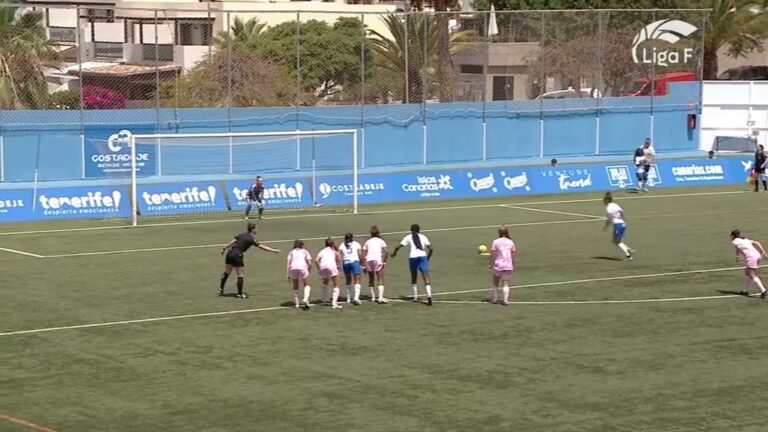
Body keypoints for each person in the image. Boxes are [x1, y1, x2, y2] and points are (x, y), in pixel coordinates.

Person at [219, 222, 281, 299]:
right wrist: (274, 250)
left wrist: (224, 248)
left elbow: (233, 241)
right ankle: (240, 294)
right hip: (237, 255)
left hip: (230, 253)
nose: (257, 230)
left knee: (227, 272)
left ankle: (221, 289)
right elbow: (262, 247)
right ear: (252, 229)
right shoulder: (251, 239)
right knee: (240, 275)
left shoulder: (242, 234)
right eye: (256, 228)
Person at [392, 224, 434, 305]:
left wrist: (394, 253)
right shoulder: (423, 237)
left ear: (411, 230)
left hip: (413, 257)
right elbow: (431, 248)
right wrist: (427, 258)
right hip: (423, 256)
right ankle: (429, 296)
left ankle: (415, 296)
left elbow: (398, 246)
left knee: (414, 276)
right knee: (426, 276)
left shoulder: (408, 237)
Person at [730, 229, 767, 298]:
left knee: (752, 275)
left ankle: (763, 289)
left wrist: (737, 256)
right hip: (757, 255)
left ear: (732, 236)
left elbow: (737, 248)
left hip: (751, 258)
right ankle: (744, 291)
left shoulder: (734, 241)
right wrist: (763, 252)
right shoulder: (745, 239)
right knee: (747, 272)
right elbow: (757, 242)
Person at [489, 226, 516, 306]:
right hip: (508, 265)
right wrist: (513, 263)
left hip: (499, 264)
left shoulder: (495, 241)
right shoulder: (511, 242)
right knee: (505, 283)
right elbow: (513, 254)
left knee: (495, 282)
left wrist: (491, 263)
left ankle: (495, 299)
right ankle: (505, 300)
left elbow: (493, 254)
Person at [603, 192, 633, 261]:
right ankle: (628, 249)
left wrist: (606, 226)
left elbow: (609, 219)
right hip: (622, 224)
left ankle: (628, 255)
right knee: (615, 241)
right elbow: (621, 211)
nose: (603, 202)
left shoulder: (608, 208)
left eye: (604, 201)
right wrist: (621, 218)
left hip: (617, 225)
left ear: (607, 200)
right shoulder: (615, 204)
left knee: (617, 242)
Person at [363, 225, 389, 303]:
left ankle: (373, 297)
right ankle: (380, 298)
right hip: (377, 259)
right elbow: (386, 251)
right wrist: (384, 262)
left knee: (371, 278)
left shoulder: (368, 241)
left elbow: (364, 253)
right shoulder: (381, 241)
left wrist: (364, 265)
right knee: (380, 278)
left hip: (369, 260)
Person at [316, 237, 343, 309]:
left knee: (325, 283)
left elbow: (316, 260)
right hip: (331, 266)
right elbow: (339, 257)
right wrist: (340, 266)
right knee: (336, 285)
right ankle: (334, 303)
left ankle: (324, 300)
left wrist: (320, 269)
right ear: (333, 244)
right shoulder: (333, 251)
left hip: (323, 266)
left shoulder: (322, 251)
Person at [287, 240, 313, 309]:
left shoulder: (291, 252)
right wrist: (308, 271)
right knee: (307, 285)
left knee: (295, 285)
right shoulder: (305, 251)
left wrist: (288, 274)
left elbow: (288, 263)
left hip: (293, 268)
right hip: (302, 267)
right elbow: (310, 263)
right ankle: (305, 298)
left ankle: (297, 303)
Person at [341, 233, 364, 305]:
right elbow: (360, 254)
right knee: (357, 280)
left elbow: (339, 254)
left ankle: (348, 298)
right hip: (355, 262)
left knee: (348, 280)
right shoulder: (357, 244)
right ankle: (356, 297)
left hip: (346, 262)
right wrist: (362, 263)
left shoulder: (342, 244)